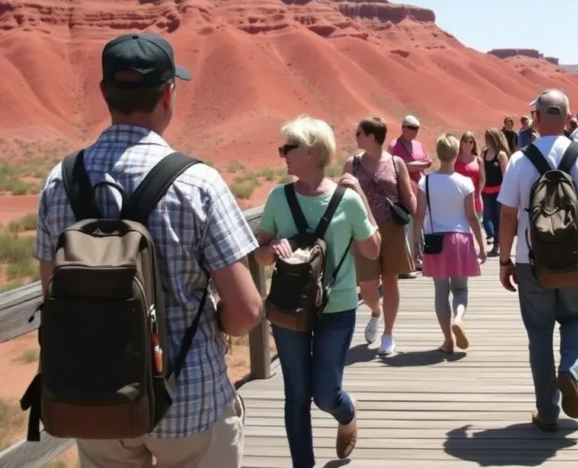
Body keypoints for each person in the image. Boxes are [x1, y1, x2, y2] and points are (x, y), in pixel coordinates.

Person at [33, 32, 263, 468]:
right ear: (168, 94)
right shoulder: (197, 183)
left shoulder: (58, 182)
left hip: (97, 399)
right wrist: (210, 324)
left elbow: (52, 295)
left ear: (103, 92)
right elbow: (247, 311)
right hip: (191, 401)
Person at [255, 115, 382, 467]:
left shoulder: (347, 200)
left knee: (325, 394)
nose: (283, 154)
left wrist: (362, 200)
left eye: (288, 147)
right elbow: (260, 253)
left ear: (310, 152)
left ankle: (346, 414)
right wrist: (272, 248)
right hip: (288, 308)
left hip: (337, 307)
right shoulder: (278, 198)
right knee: (296, 393)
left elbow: (372, 250)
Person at [497, 88, 578, 432]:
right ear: (567, 119)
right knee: (577, 318)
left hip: (531, 262)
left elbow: (507, 217)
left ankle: (547, 411)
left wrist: (504, 260)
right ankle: (570, 371)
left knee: (539, 335)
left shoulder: (521, 160)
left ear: (535, 119)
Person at [346, 117, 417, 356]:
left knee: (390, 281)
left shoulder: (397, 163)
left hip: (392, 228)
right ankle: (376, 311)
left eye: (359, 133)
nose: (356, 137)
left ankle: (388, 333)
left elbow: (407, 195)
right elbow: (342, 199)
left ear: (371, 136)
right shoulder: (352, 164)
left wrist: (421, 226)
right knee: (366, 285)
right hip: (363, 229)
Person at [412, 133, 488, 353]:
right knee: (461, 289)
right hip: (461, 239)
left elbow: (419, 215)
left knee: (440, 291)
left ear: (438, 153)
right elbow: (472, 216)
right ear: (456, 154)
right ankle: (459, 318)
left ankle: (447, 340)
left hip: (436, 241)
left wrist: (415, 242)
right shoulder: (464, 182)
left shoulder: (425, 181)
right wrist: (481, 246)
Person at [389, 114, 431, 276]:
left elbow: (425, 160)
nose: (415, 131)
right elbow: (401, 166)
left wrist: (424, 164)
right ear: (403, 128)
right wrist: (421, 165)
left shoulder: (418, 145)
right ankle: (406, 264)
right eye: (412, 128)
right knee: (406, 226)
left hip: (419, 189)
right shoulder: (395, 145)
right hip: (403, 191)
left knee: (419, 224)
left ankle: (418, 257)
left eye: (417, 128)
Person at [480, 128, 510, 252]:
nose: (487, 140)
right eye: (486, 137)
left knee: (498, 217)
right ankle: (492, 237)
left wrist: (506, 191)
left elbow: (505, 174)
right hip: (486, 191)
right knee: (487, 216)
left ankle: (497, 244)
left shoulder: (501, 154)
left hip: (499, 190)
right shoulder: (483, 153)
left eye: (489, 137)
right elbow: (481, 173)